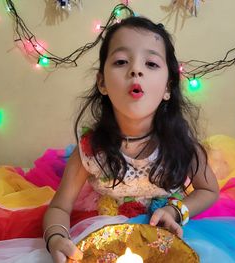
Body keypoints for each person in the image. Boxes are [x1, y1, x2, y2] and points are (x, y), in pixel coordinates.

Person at [43, 15, 219, 263]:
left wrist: (177, 210)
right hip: (108, 240)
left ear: (168, 87)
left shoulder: (181, 144)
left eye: (151, 64)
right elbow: (59, 208)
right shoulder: (91, 149)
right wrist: (56, 238)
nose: (136, 70)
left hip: (168, 240)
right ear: (102, 82)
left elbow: (209, 190)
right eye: (122, 61)